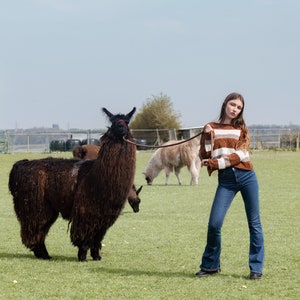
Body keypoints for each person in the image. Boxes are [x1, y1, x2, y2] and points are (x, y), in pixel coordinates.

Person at [195, 92, 264, 280]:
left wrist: (216, 164)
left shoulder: (242, 128)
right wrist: (207, 136)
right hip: (226, 180)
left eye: (239, 107)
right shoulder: (211, 127)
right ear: (225, 104)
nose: (235, 109)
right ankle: (210, 266)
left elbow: (242, 155)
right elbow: (205, 155)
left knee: (254, 224)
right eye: (232, 105)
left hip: (247, 176)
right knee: (214, 224)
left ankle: (256, 269)